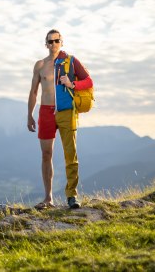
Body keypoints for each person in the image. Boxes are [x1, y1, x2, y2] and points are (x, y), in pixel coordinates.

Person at [27, 29, 93, 209]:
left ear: (62, 42)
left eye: (57, 41)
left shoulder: (71, 61)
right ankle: (48, 198)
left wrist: (73, 84)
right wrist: (29, 115)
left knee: (70, 154)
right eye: (50, 41)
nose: (54, 44)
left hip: (66, 111)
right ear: (46, 44)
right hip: (45, 112)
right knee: (46, 154)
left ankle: (72, 196)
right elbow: (33, 92)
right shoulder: (40, 65)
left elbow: (89, 81)